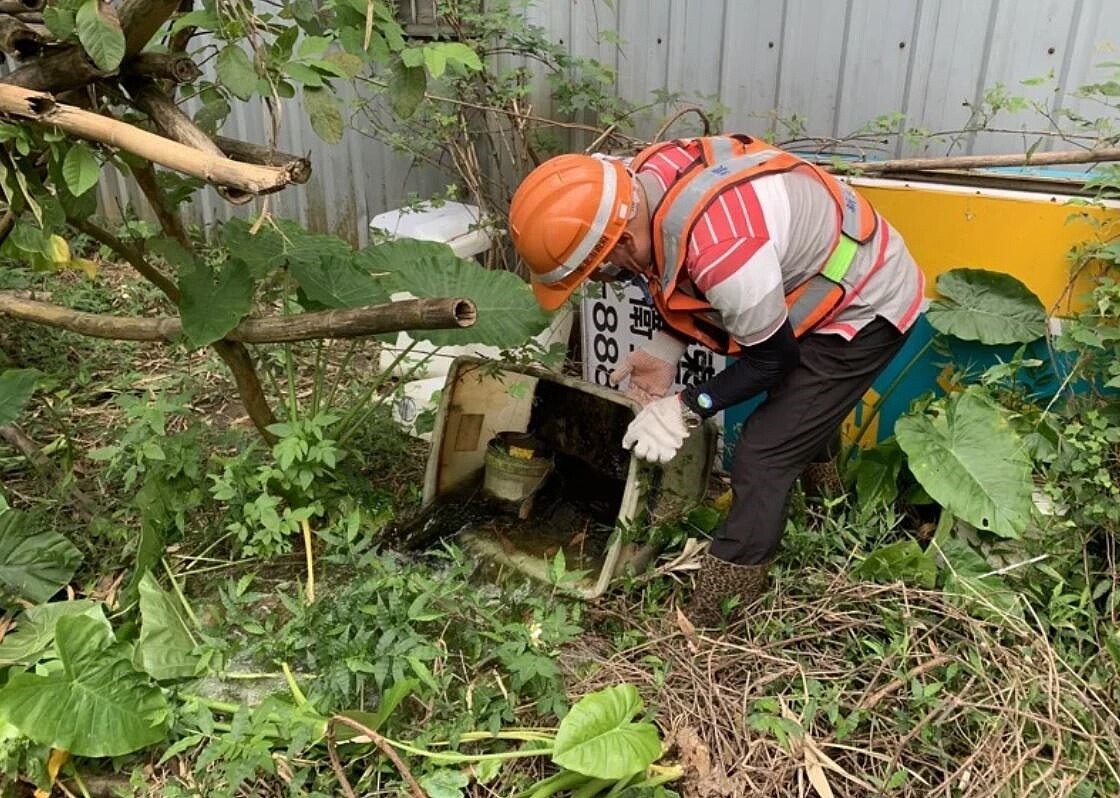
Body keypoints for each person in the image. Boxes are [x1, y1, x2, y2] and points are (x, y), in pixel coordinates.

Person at [508, 134, 925, 626]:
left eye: (598, 272)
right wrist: (665, 350)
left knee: (764, 452)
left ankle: (722, 609)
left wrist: (686, 407)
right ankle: (826, 507)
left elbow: (773, 361)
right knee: (800, 413)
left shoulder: (725, 256)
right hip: (808, 277)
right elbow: (680, 278)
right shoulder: (642, 179)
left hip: (867, 300)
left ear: (620, 241)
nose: (603, 282)